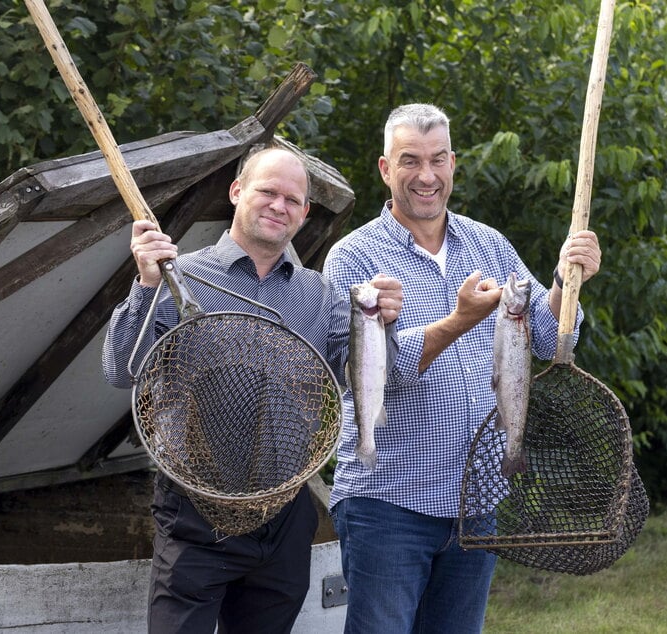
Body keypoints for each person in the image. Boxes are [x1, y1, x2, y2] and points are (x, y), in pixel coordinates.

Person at [323, 103, 603, 633]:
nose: (425, 176)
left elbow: (550, 340)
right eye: (409, 161)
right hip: (387, 502)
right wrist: (458, 320)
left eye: (437, 160)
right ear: (386, 168)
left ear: (453, 163)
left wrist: (566, 281)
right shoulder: (352, 258)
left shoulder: (489, 244)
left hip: (476, 500)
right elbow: (374, 375)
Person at [102, 146, 403, 634]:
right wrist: (145, 282)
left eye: (292, 199)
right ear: (238, 191)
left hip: (285, 512)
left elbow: (359, 378)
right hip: (195, 511)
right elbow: (121, 369)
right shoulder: (182, 275)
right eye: (267, 191)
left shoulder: (319, 293)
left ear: (304, 214)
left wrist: (382, 324)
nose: (278, 206)